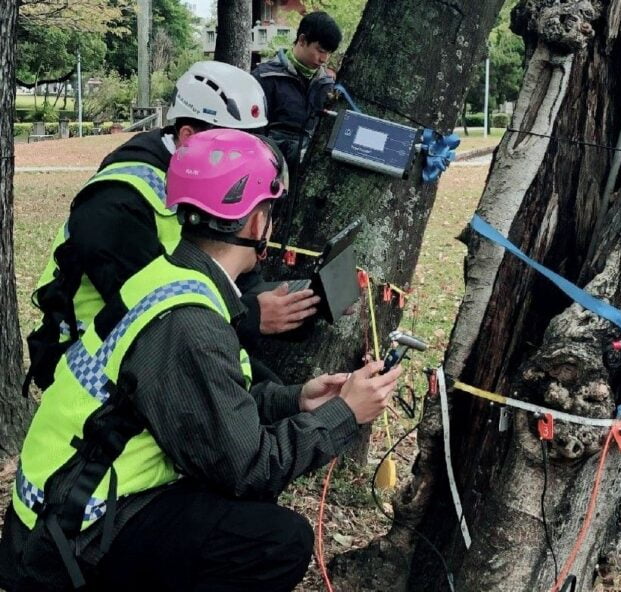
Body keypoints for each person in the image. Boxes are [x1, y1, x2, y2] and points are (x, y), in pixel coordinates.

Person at [0, 129, 403, 592]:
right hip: (69, 538)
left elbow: (213, 402)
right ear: (256, 224)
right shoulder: (188, 320)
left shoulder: (171, 277)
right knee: (277, 543)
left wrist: (297, 401)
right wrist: (343, 415)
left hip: (55, 512)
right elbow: (248, 469)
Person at [24, 60, 318, 396]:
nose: (244, 157)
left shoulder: (205, 178)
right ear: (187, 136)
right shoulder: (117, 203)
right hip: (91, 360)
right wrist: (250, 317)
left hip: (161, 339)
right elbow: (151, 315)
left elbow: (231, 277)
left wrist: (300, 303)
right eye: (233, 143)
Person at [253, 11, 342, 162]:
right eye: (320, 51)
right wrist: (295, 153)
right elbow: (252, 137)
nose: (324, 59)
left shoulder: (328, 86)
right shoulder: (265, 77)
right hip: (271, 171)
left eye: (329, 53)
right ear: (302, 40)